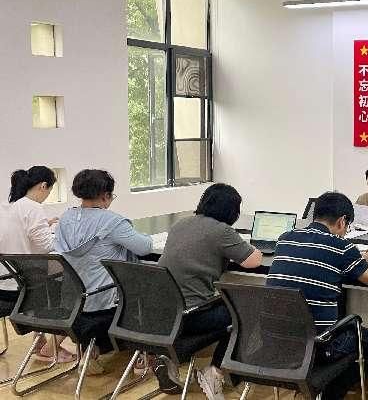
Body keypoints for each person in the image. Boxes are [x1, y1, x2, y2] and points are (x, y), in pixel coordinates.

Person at [266, 192, 368, 399]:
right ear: (342, 221)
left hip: (276, 342)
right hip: (318, 346)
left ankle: (322, 387)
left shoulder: (285, 239)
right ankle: (330, 391)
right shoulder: (341, 247)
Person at [156, 183, 263, 399]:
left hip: (163, 312)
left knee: (224, 303)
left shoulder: (180, 224)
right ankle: (215, 372)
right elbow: (254, 261)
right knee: (247, 312)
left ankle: (171, 358)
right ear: (232, 211)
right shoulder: (221, 231)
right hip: (191, 316)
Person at [54, 170, 153, 371]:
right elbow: (145, 247)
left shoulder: (65, 218)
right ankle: (145, 354)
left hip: (73, 302)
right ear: (105, 195)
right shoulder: (112, 221)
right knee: (151, 289)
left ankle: (94, 350)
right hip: (105, 302)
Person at [0, 167, 76, 363]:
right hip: (25, 290)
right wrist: (63, 233)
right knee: (68, 286)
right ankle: (50, 348)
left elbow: (18, 234)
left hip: (6, 281)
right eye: (49, 191)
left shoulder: (8, 207)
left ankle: (40, 343)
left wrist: (44, 224)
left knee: (47, 276)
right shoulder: (33, 208)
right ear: (43, 186)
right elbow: (46, 246)